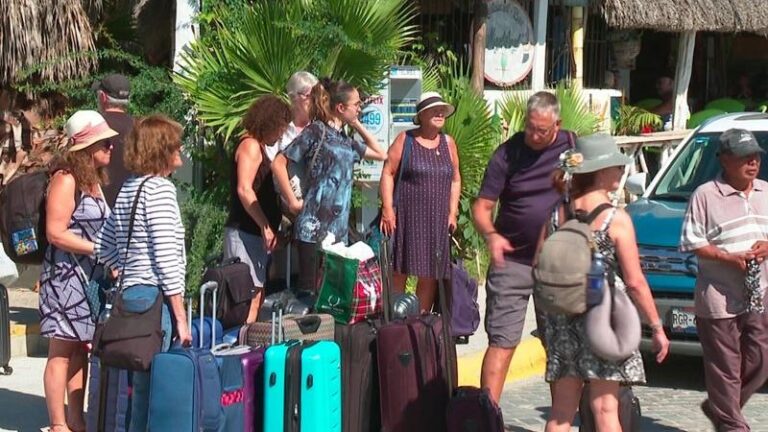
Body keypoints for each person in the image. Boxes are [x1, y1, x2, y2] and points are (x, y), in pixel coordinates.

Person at [541, 134, 670, 432]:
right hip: (604, 317)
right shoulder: (616, 218)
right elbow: (635, 281)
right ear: (601, 172)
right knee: (605, 407)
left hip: (563, 316)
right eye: (616, 166)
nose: (620, 172)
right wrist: (657, 326)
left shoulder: (558, 212)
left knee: (561, 410)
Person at [472, 92, 572, 404]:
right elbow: (481, 207)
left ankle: (562, 420)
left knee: (558, 346)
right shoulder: (508, 154)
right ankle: (487, 418)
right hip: (512, 262)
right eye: (530, 127)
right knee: (502, 342)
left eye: (541, 130)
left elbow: (589, 189)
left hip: (556, 265)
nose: (533, 135)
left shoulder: (572, 146)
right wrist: (491, 235)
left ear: (557, 124)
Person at [95, 115, 190, 432]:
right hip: (154, 299)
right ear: (162, 149)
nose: (182, 152)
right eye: (176, 145)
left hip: (130, 294)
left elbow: (103, 245)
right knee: (152, 390)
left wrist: (123, 266)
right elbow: (165, 259)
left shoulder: (129, 188)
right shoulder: (161, 190)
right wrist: (180, 316)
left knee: (138, 388)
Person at [680, 128, 768, 432]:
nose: (752, 162)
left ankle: (720, 407)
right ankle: (733, 425)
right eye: (744, 157)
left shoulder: (766, 191)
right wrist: (728, 257)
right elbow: (692, 242)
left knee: (760, 360)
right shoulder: (706, 195)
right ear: (725, 160)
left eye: (755, 156)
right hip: (718, 296)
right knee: (725, 368)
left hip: (758, 293)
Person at [39, 110, 117, 432]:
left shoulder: (93, 182)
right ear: (87, 146)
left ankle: (76, 418)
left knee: (79, 350)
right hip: (64, 278)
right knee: (60, 350)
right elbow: (55, 232)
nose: (111, 148)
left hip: (87, 279)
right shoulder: (66, 179)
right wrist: (98, 250)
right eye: (105, 143)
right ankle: (59, 424)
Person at [272, 78, 387, 292]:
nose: (359, 108)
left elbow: (381, 154)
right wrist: (293, 201)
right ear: (340, 107)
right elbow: (279, 162)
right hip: (313, 228)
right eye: (356, 105)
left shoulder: (346, 140)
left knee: (332, 296)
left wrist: (355, 124)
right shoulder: (316, 131)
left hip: (338, 231)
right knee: (310, 294)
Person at [379, 91, 461, 312]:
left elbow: (455, 179)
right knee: (399, 270)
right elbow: (388, 172)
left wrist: (452, 212)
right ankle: (397, 319)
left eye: (442, 110)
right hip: (407, 216)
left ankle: (420, 325)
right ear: (422, 115)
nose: (439, 113)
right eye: (434, 110)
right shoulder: (406, 140)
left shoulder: (448, 143)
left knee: (430, 274)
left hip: (437, 219)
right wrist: (387, 208)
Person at [224, 95, 292, 321]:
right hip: (246, 231)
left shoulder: (259, 148)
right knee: (248, 295)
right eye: (280, 127)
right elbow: (245, 189)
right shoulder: (250, 146)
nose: (281, 134)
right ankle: (241, 343)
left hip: (255, 234)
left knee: (258, 293)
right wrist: (265, 226)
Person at [92, 73, 134, 207]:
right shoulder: (141, 129)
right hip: (132, 209)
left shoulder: (93, 126)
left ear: (103, 97)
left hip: (99, 209)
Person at [267, 71, 318, 162]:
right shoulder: (279, 126)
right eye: (309, 96)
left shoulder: (320, 129)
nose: (314, 101)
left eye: (316, 96)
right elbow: (269, 160)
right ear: (293, 96)